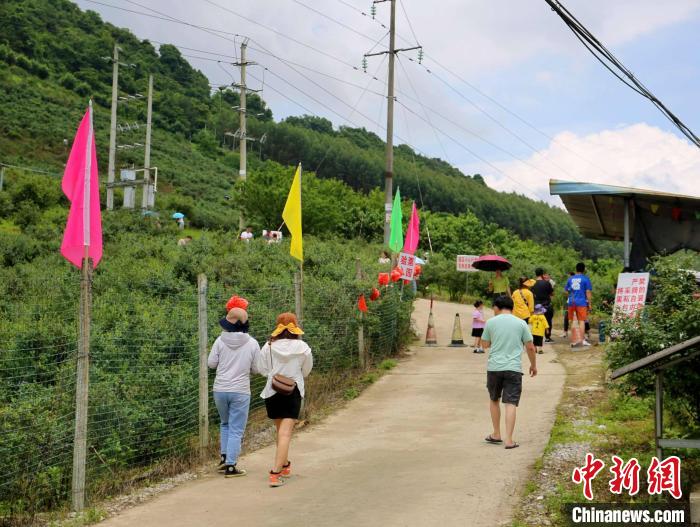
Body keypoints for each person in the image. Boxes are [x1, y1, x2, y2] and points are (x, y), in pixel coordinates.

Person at [258, 313, 313, 487]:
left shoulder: (268, 346)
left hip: (272, 391)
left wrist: (276, 374)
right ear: (295, 326)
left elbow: (262, 369)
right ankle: (275, 473)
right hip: (293, 391)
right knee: (286, 433)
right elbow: (306, 371)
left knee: (280, 432)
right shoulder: (303, 347)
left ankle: (285, 464)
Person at [207, 305, 261, 478]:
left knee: (225, 423)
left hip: (220, 389)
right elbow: (256, 368)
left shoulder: (219, 341)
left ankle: (224, 458)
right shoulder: (252, 343)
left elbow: (211, 364)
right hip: (240, 390)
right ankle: (231, 465)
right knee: (237, 429)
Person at [481, 295, 537, 450]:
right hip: (513, 368)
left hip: (494, 368)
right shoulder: (521, 323)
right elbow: (530, 347)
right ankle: (509, 440)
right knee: (511, 403)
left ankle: (496, 434)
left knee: (494, 400)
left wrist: (494, 339)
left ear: (497, 307)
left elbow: (484, 344)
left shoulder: (491, 323)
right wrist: (533, 365)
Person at [565, 262, 593, 348]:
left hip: (571, 302)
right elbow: (588, 292)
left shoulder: (570, 279)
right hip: (581, 302)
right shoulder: (585, 279)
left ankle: (574, 340)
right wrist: (590, 303)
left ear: (576, 269)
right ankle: (582, 340)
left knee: (573, 320)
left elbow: (566, 291)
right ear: (584, 269)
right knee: (581, 321)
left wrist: (571, 296)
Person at [531, 268, 554, 342]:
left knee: (538, 321)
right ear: (542, 274)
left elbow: (532, 295)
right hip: (547, 305)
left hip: (537, 306)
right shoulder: (547, 283)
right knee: (548, 321)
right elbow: (551, 293)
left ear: (536, 274)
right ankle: (547, 337)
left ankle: (538, 339)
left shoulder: (533, 284)